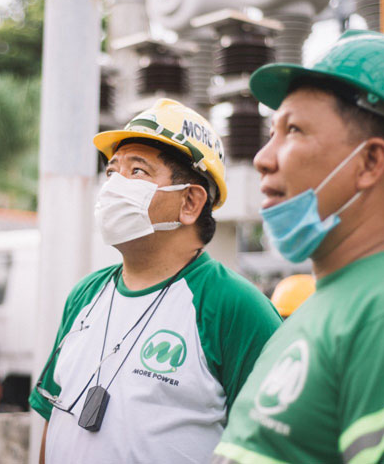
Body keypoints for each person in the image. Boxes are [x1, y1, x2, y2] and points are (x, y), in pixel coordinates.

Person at [212, 30, 384, 464]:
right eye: (272, 131)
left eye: (294, 130)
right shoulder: (327, 304)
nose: (264, 157)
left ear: (370, 162)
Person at [29, 98, 282, 464]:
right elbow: (54, 416)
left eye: (138, 171)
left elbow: (276, 442)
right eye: (112, 171)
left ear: (191, 203)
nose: (114, 185)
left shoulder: (234, 307)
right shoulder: (85, 297)